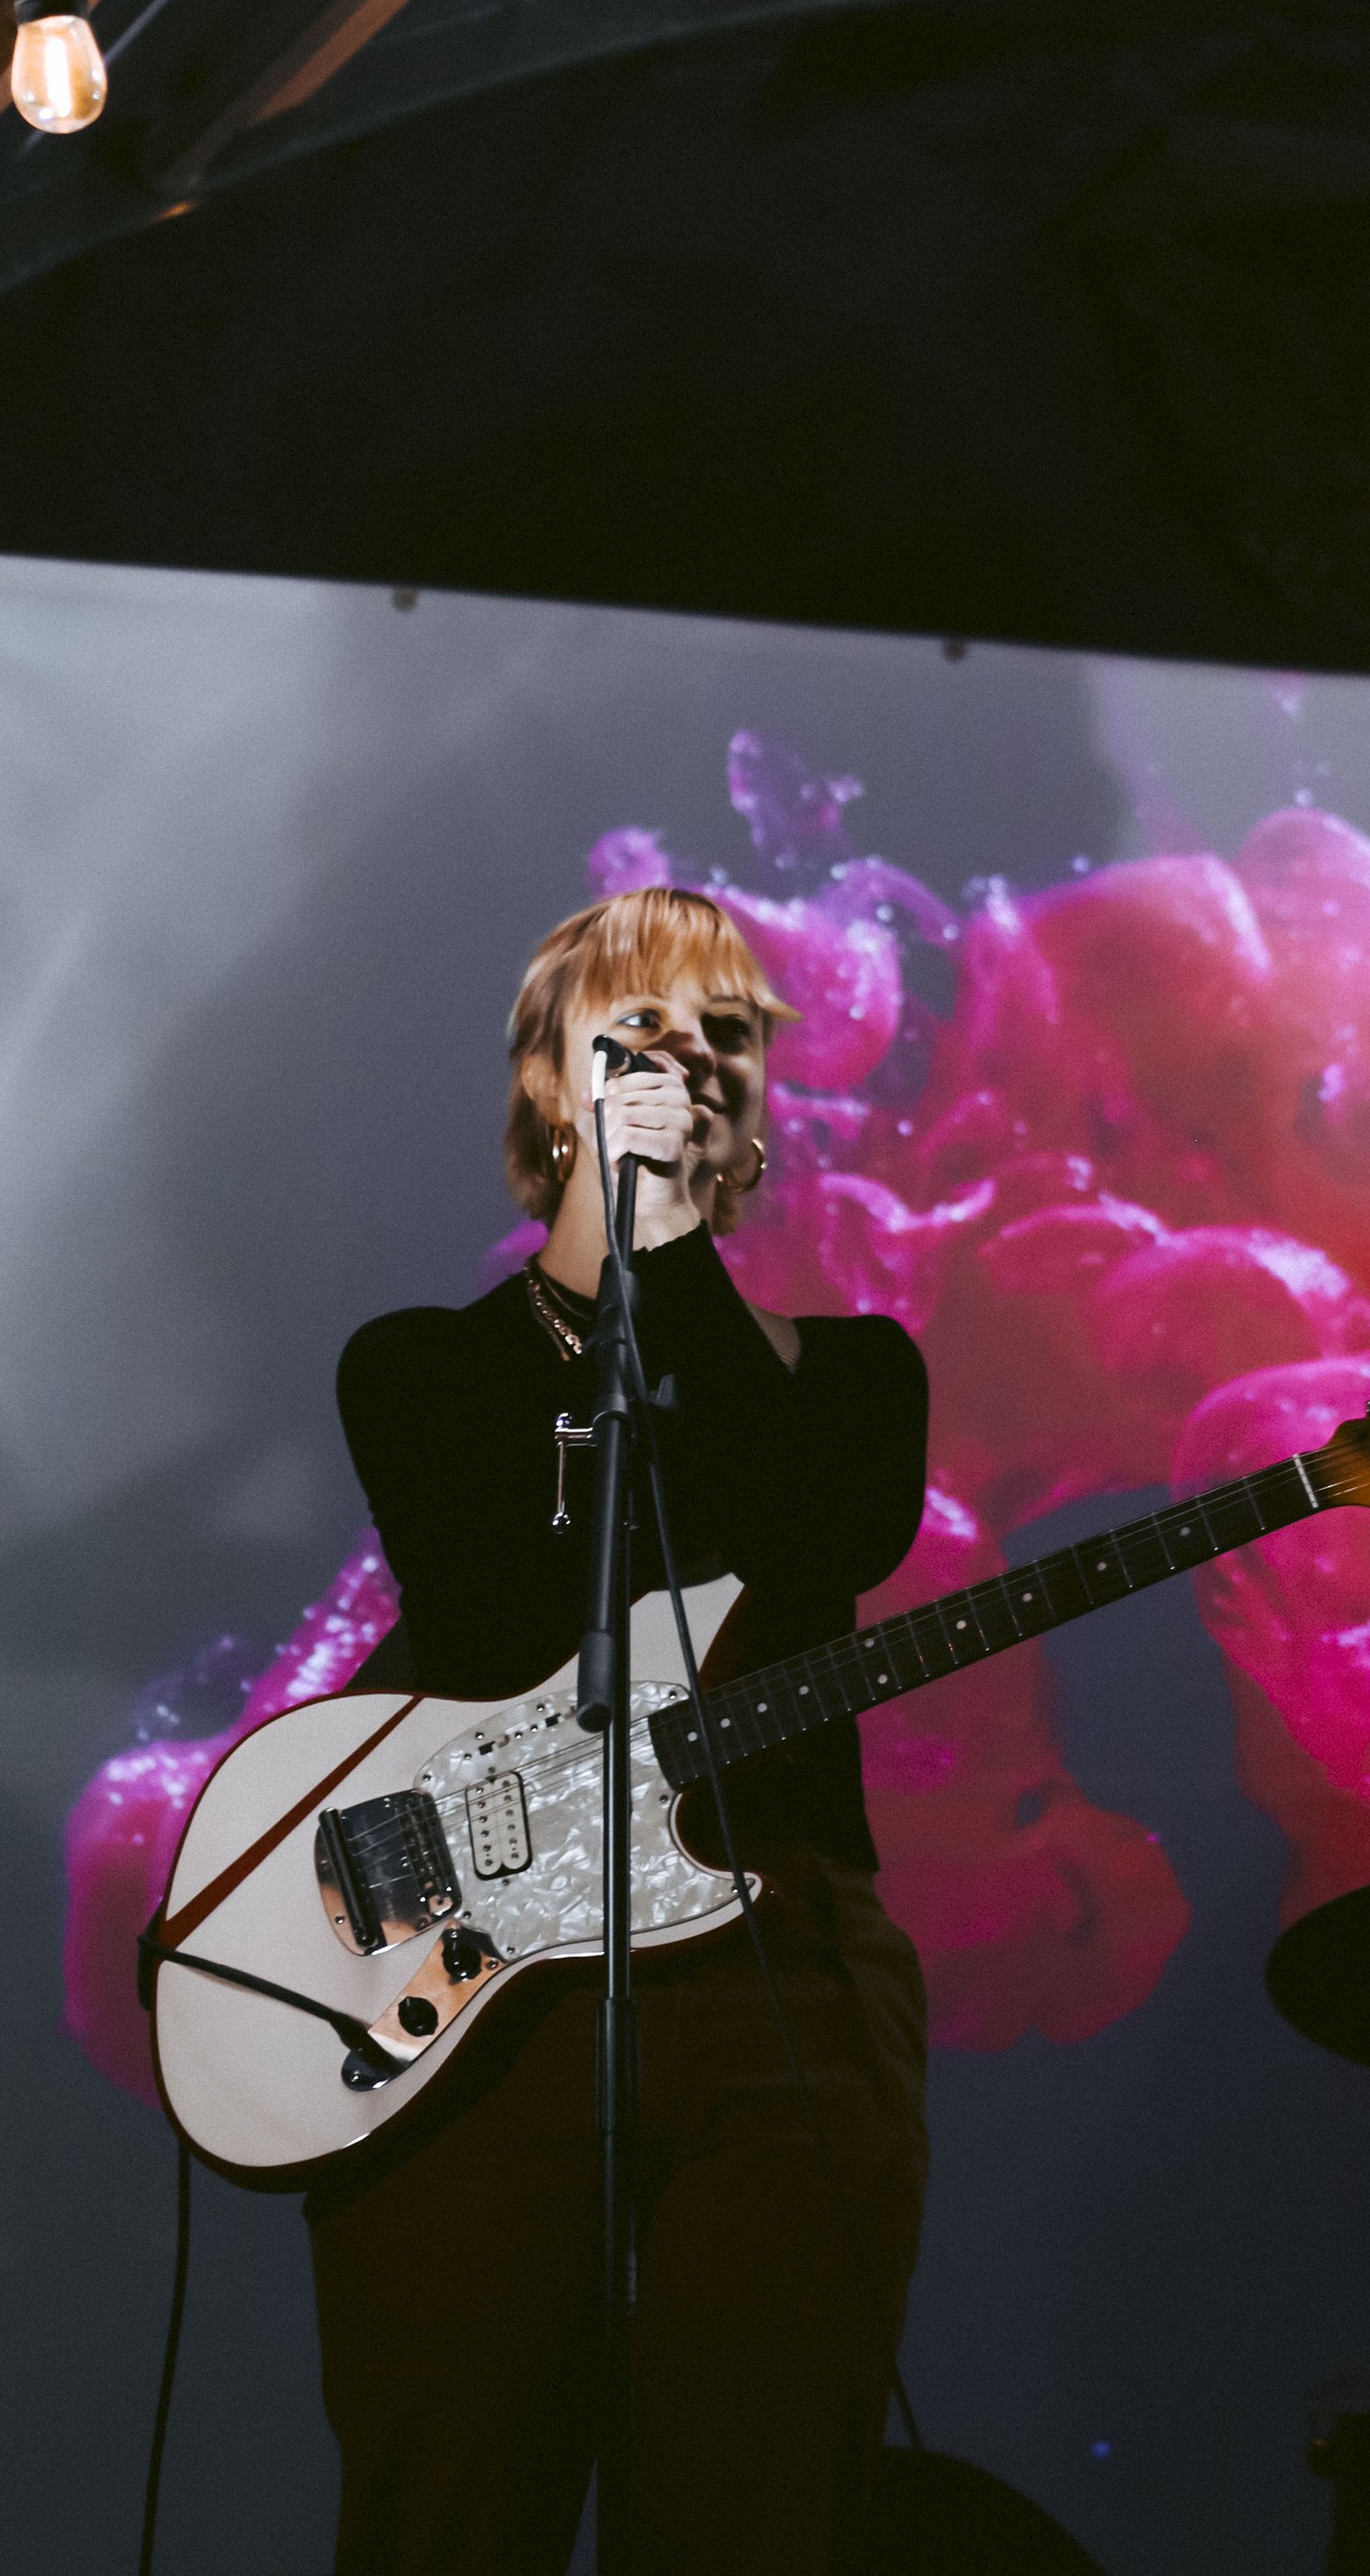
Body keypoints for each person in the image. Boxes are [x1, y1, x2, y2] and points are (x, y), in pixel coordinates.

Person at [305, 887, 931, 2576]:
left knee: (757, 2503)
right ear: (542, 1082)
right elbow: (497, 1613)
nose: (687, 1068)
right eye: (636, 1033)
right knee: (450, 2491)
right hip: (495, 2002)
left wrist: (673, 1261)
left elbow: (817, 1543)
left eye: (722, 1037)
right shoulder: (421, 1369)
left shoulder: (857, 1373)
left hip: (777, 1964)